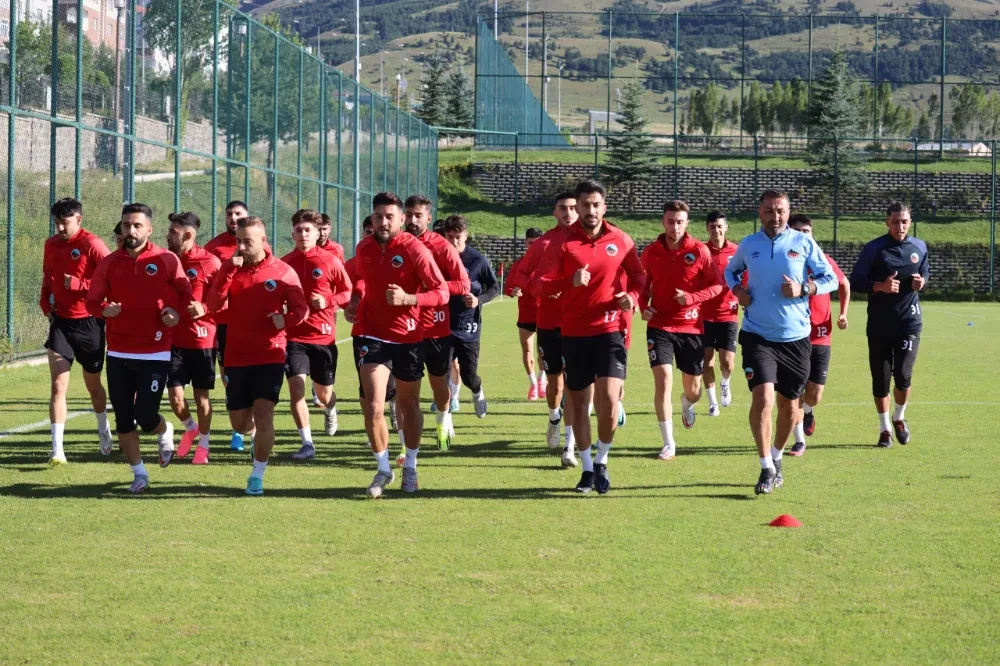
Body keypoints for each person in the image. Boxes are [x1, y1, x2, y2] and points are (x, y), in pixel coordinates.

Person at [724, 190, 838, 495]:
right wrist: (737, 290)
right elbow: (729, 270)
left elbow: (831, 279)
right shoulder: (749, 245)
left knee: (790, 408)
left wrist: (805, 288)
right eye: (770, 211)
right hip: (757, 336)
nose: (776, 217)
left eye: (781, 211)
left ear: (788, 212)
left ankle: (776, 457)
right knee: (763, 399)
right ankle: (765, 467)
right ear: (759, 212)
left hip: (796, 339)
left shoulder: (803, 243)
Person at [537, 180, 646, 494]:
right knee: (579, 403)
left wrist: (633, 296)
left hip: (610, 330)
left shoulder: (620, 240)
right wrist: (568, 280)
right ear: (578, 207)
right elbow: (541, 284)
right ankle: (586, 468)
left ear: (604, 207)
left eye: (595, 204)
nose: (590, 210)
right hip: (573, 333)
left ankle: (602, 458)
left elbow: (638, 275)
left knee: (610, 400)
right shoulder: (560, 244)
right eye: (584, 205)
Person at [345, 192, 448, 497]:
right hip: (372, 335)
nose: (383, 222)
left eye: (390, 216)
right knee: (374, 406)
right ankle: (383, 469)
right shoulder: (363, 248)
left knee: (408, 404)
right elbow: (361, 280)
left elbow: (441, 292)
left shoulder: (415, 249)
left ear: (402, 219)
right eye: (378, 216)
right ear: (372, 219)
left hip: (408, 337)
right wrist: (354, 300)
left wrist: (408, 299)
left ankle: (411, 465)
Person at [86, 203, 193, 493]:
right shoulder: (109, 263)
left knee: (145, 416)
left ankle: (164, 429)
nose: (130, 231)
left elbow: (185, 293)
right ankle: (140, 473)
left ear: (149, 229)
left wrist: (176, 312)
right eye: (125, 225)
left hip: (155, 351)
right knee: (123, 417)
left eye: (136, 225)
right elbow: (92, 302)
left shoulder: (166, 259)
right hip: (119, 352)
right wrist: (104, 309)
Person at [206, 216, 308, 495]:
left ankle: (257, 475)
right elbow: (213, 306)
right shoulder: (230, 268)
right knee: (240, 423)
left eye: (247, 242)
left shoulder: (283, 272)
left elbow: (301, 310)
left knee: (265, 415)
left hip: (270, 354)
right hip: (236, 356)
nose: (241, 247)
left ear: (263, 241)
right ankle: (253, 438)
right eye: (238, 241)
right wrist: (228, 269)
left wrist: (284, 320)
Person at [640, 200, 724, 461]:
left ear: (687, 223)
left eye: (679, 222)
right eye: (670, 221)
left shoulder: (699, 251)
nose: (674, 227)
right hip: (660, 326)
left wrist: (691, 298)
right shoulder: (651, 252)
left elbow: (717, 286)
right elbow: (642, 286)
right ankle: (668, 443)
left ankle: (687, 404)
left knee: (694, 389)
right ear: (663, 222)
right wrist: (643, 306)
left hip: (691, 327)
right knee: (663, 381)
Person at [507, 192, 580, 467]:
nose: (569, 212)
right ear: (554, 212)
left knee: (575, 385)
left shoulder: (589, 240)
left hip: (580, 324)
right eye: (563, 208)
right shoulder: (544, 242)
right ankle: (553, 417)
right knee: (555, 384)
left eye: (574, 207)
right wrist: (543, 289)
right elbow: (521, 275)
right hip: (549, 323)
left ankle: (570, 447)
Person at [40, 197, 113, 465]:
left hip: (90, 324)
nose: (60, 228)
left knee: (93, 386)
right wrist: (44, 296)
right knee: (58, 385)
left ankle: (103, 428)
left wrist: (81, 284)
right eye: (57, 222)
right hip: (61, 323)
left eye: (65, 223)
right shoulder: (51, 245)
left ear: (79, 220)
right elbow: (48, 274)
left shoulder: (92, 244)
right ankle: (57, 450)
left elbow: (113, 277)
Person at [849, 202, 928, 449]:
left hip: (909, 322)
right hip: (880, 324)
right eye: (895, 221)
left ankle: (899, 417)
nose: (900, 226)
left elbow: (925, 274)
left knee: (903, 376)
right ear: (887, 222)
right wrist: (880, 286)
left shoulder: (919, 247)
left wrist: (921, 283)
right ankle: (884, 429)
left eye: (904, 221)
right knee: (881, 380)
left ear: (910, 222)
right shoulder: (874, 249)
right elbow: (856, 281)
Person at [281, 209, 352, 461]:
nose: (303, 235)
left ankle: (331, 408)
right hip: (294, 338)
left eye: (308, 230)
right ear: (292, 233)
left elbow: (347, 293)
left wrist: (328, 300)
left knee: (323, 395)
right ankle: (307, 443)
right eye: (299, 230)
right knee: (296, 389)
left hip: (323, 338)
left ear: (317, 232)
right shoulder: (284, 263)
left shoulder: (329, 261)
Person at [404, 194, 470, 450]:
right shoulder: (397, 245)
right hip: (404, 327)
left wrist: (431, 290)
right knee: (405, 388)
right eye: (408, 214)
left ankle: (443, 420)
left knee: (438, 385)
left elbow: (463, 284)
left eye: (418, 215)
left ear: (428, 218)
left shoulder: (442, 246)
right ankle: (406, 443)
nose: (412, 220)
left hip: (435, 326)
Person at [786, 214, 850, 456]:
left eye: (807, 231)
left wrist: (843, 313)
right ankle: (799, 440)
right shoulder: (786, 261)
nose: (803, 235)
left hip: (821, 335)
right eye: (798, 230)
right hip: (793, 335)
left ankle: (809, 411)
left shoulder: (824, 261)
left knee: (814, 394)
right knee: (794, 390)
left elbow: (844, 284)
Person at [164, 212, 222, 465]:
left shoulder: (210, 262)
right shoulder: (164, 260)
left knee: (201, 397)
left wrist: (205, 309)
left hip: (202, 341)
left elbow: (225, 299)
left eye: (173, 232)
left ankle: (204, 445)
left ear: (188, 235)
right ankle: (190, 427)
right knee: (176, 399)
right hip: (172, 340)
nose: (168, 236)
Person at [345, 216, 402, 461]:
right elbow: (347, 286)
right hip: (365, 332)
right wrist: (350, 303)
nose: (372, 235)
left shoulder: (400, 255)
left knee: (398, 395)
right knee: (368, 398)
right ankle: (376, 438)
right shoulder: (358, 257)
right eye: (367, 231)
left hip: (399, 334)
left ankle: (404, 448)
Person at [204, 200, 252, 451]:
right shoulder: (214, 246)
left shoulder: (260, 244)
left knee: (253, 375)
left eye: (238, 214)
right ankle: (240, 428)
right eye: (229, 214)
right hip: (224, 321)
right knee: (229, 376)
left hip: (251, 320)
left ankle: (248, 429)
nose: (233, 217)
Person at [442, 214, 499, 419]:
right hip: (442, 325)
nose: (455, 241)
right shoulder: (437, 258)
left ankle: (477, 391)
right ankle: (445, 421)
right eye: (450, 237)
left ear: (466, 235)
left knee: (468, 376)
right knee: (442, 376)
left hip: (468, 328)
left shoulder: (478, 260)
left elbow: (494, 287)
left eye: (458, 236)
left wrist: (478, 300)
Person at [701, 210, 741, 416]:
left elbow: (747, 277)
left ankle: (725, 382)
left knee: (727, 362)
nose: (716, 230)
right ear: (707, 228)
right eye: (712, 226)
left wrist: (745, 296)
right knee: (706, 361)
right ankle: (712, 402)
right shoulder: (701, 251)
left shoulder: (737, 251)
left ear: (726, 227)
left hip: (728, 314)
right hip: (704, 315)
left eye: (719, 226)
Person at [506, 228, 546, 400]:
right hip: (526, 314)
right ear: (525, 243)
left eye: (537, 243)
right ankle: (533, 385)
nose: (534, 246)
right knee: (527, 350)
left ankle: (542, 380)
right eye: (531, 243)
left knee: (543, 352)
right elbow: (508, 286)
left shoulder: (549, 264)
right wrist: (514, 291)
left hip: (545, 314)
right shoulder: (519, 265)